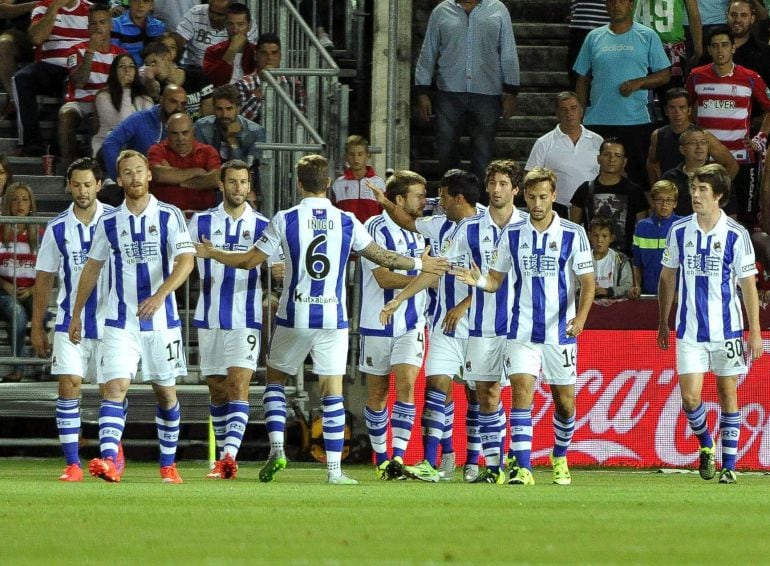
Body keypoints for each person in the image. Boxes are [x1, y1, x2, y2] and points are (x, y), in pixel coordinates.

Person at [194, 154, 448, 485]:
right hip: (332, 318)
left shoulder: (285, 219)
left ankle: (277, 449)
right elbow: (381, 256)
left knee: (275, 380)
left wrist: (213, 253)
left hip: (294, 315)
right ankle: (333, 470)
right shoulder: (346, 220)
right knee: (332, 391)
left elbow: (247, 261)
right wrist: (419, 264)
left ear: (299, 183)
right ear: (327, 183)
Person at [455, 167, 596, 486]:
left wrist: (582, 319)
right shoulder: (513, 234)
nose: (536, 202)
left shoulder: (573, 234)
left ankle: (559, 456)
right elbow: (495, 280)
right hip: (520, 331)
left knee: (565, 403)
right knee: (521, 390)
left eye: (543, 196)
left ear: (554, 196)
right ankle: (522, 466)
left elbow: (588, 283)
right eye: (532, 196)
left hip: (560, 331)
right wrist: (477, 280)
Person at [69, 149, 195, 484]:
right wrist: (76, 313)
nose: (135, 177)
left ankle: (168, 465)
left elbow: (186, 261)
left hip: (162, 324)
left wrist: (160, 294)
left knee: (166, 393)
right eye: (127, 173)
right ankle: (109, 459)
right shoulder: (109, 222)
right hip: (120, 323)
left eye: (140, 171)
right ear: (119, 179)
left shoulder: (170, 215)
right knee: (115, 387)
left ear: (149, 174)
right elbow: (92, 268)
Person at [374, 169, 482, 483]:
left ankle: (474, 462)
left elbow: (498, 278)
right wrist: (401, 298)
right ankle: (430, 461)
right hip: (442, 324)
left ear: (458, 198)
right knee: (436, 388)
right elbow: (412, 231)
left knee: (477, 395)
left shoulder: (488, 227)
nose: (437, 201)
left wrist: (465, 304)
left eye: (443, 196)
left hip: (479, 326)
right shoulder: (439, 226)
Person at [658, 163, 763, 484]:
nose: (696, 195)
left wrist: (754, 331)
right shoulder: (679, 231)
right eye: (694, 189)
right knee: (690, 397)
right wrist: (663, 320)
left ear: (719, 195)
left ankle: (729, 466)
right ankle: (706, 445)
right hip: (689, 330)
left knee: (727, 393)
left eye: (703, 190)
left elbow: (748, 285)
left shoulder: (736, 234)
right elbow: (667, 276)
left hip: (727, 330)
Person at [428, 159, 525, 484]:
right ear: (486, 187)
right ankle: (493, 466)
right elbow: (448, 269)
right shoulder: (468, 229)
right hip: (482, 326)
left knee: (523, 393)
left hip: (520, 326)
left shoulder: (529, 226)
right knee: (487, 394)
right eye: (493, 184)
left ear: (515, 189)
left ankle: (523, 461)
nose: (497, 190)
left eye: (503, 184)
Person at [31, 158, 117, 481]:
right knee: (69, 384)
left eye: (88, 184)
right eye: (76, 184)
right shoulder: (57, 228)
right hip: (69, 319)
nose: (82, 191)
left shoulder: (115, 221)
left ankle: (111, 454)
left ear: (99, 185)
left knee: (113, 388)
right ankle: (72, 463)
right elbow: (44, 279)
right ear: (69, 186)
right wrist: (38, 326)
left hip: (111, 320)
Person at [188, 159, 268, 479]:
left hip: (246, 316)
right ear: (221, 185)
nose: (238, 188)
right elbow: (183, 256)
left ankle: (228, 456)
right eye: (232, 182)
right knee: (218, 390)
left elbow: (277, 264)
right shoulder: (201, 223)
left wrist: (278, 275)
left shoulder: (262, 225)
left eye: (243, 182)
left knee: (238, 384)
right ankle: (223, 458)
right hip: (209, 316)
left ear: (250, 187)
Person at [359, 170, 428, 480]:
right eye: (419, 196)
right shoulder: (373, 228)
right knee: (376, 394)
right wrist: (423, 277)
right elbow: (383, 276)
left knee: (407, 385)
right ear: (400, 199)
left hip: (412, 322)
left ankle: (398, 456)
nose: (424, 201)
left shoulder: (422, 230)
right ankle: (382, 458)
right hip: (377, 320)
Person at [414, 0, 520, 187]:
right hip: (448, 92)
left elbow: (508, 51)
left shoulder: (498, 10)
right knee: (445, 152)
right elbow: (428, 51)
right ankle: (452, 200)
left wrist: (511, 91)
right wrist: (422, 91)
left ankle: (479, 206)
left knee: (484, 156)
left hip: (487, 93)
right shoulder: (441, 11)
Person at [574, 0, 672, 188]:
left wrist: (640, 82)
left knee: (637, 179)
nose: (616, 5)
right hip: (597, 121)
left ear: (631, 5)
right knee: (594, 177)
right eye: (611, 1)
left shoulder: (647, 35)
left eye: (621, 1)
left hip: (636, 121)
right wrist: (580, 113)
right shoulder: (593, 37)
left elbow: (665, 74)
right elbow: (582, 78)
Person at [686, 25, 770, 228]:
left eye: (724, 45)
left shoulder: (750, 77)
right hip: (707, 161)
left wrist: (761, 138)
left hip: (742, 160)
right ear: (709, 50)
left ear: (733, 48)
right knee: (705, 216)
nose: (720, 50)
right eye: (714, 46)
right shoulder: (696, 76)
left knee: (745, 219)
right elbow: (687, 107)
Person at [12, 0, 92, 156]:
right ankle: (31, 143)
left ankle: (58, 148)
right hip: (50, 67)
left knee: (70, 82)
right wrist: (54, 7)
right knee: (21, 78)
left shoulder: (90, 8)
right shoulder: (43, 6)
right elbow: (36, 38)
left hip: (77, 68)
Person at [59, 4, 126, 160]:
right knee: (65, 115)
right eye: (93, 23)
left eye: (102, 22)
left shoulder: (121, 55)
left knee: (101, 109)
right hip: (80, 102)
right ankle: (70, 167)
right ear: (88, 27)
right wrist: (90, 52)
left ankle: (98, 165)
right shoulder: (76, 50)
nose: (98, 27)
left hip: (108, 102)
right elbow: (79, 83)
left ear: (111, 25)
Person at [524, 91, 603, 217]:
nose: (569, 113)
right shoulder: (544, 143)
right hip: (555, 209)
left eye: (573, 108)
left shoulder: (598, 141)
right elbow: (530, 178)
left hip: (591, 208)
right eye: (564, 109)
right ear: (557, 113)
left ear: (581, 111)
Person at [570, 138, 648, 255]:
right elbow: (573, 229)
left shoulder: (635, 191)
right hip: (589, 258)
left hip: (624, 259)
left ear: (624, 161)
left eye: (617, 155)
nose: (612, 159)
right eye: (607, 154)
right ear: (598, 158)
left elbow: (643, 229)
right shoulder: (585, 190)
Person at [647, 87, 739, 184]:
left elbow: (731, 164)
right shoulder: (658, 135)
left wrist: (717, 191)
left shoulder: (704, 136)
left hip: (697, 193)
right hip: (672, 194)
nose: (677, 113)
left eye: (682, 107)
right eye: (672, 108)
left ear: (689, 110)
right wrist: (657, 190)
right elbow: (651, 163)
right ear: (666, 111)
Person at [101, 83, 186, 181]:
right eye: (173, 102)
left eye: (183, 104)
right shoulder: (140, 119)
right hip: (138, 182)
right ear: (161, 100)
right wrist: (118, 177)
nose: (179, 108)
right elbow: (110, 143)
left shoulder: (186, 126)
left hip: (171, 182)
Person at [0, 183, 40, 382]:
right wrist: (5, 285)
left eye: (25, 199)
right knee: (17, 312)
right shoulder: (0, 230)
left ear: (31, 204)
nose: (20, 204)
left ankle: (45, 364)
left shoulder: (39, 234)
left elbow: (47, 271)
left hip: (30, 290)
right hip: (3, 291)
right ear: (8, 204)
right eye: (15, 199)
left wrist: (33, 288)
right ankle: (18, 367)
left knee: (45, 313)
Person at [193, 84, 265, 187]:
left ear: (238, 109)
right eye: (219, 109)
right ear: (214, 108)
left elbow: (245, 170)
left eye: (229, 109)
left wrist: (232, 141)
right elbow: (197, 165)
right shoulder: (201, 127)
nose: (224, 114)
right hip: (208, 185)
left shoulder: (255, 132)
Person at [147, 112, 221, 213]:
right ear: (167, 133)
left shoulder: (208, 151)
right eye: (174, 133)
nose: (180, 138)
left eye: (185, 133)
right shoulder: (157, 150)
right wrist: (197, 172)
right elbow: (158, 175)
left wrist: (175, 179)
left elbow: (215, 179)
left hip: (203, 216)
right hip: (165, 217)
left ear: (193, 131)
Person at [661, 125, 739, 215]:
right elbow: (662, 213)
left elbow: (731, 214)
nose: (699, 146)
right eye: (693, 143)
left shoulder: (720, 177)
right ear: (682, 150)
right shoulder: (669, 178)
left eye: (703, 142)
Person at [173, 0, 257, 80]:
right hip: (193, 68)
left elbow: (248, 57)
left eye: (220, 14)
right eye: (211, 12)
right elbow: (178, 41)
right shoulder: (195, 13)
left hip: (230, 70)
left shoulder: (243, 21)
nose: (214, 17)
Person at [232, 32, 305, 123]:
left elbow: (300, 123)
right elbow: (240, 120)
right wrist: (263, 86)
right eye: (264, 53)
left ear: (280, 56)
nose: (269, 57)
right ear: (255, 56)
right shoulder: (241, 85)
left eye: (274, 53)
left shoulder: (294, 85)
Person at [92, 53, 153, 156]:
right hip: (107, 146)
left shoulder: (144, 98)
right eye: (122, 66)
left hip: (136, 148)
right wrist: (124, 89)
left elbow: (149, 127)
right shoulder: (103, 96)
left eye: (131, 66)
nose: (127, 69)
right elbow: (121, 125)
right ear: (114, 72)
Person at [630, 180, 681, 297]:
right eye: (659, 200)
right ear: (652, 202)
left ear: (675, 203)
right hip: (648, 294)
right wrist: (637, 286)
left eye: (669, 200)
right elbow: (636, 263)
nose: (664, 204)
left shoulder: (682, 226)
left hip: (676, 296)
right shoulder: (642, 227)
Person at [633, 0, 703, 86]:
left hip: (671, 50)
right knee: (637, 93)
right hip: (638, 47)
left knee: (673, 96)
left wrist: (698, 48)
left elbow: (694, 15)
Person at [330, 135, 384, 223]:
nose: (356, 159)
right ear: (346, 156)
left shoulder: (378, 183)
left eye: (360, 154)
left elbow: (385, 213)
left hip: (371, 235)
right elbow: (333, 214)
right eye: (351, 154)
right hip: (347, 235)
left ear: (368, 155)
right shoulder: (338, 184)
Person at [202, 2, 256, 86]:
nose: (235, 30)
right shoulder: (213, 52)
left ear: (249, 26)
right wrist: (232, 50)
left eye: (240, 24)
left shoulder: (256, 52)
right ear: (225, 26)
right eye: (230, 24)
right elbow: (213, 82)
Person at [589, 215, 633, 300]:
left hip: (615, 308)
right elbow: (573, 285)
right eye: (595, 235)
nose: (599, 240)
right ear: (589, 236)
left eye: (604, 236)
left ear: (612, 238)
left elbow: (628, 286)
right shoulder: (581, 258)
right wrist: (586, 290)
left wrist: (609, 291)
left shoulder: (621, 260)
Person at [110, 0, 165, 66]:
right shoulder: (115, 24)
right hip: (126, 70)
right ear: (129, 2)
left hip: (152, 71)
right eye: (136, 0)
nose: (140, 5)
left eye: (145, 1)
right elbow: (113, 56)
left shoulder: (159, 26)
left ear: (151, 5)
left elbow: (160, 55)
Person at [728, 0, 770, 85]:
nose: (738, 19)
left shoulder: (765, 52)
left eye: (743, 15)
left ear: (752, 19)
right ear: (727, 17)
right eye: (733, 15)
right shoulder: (715, 49)